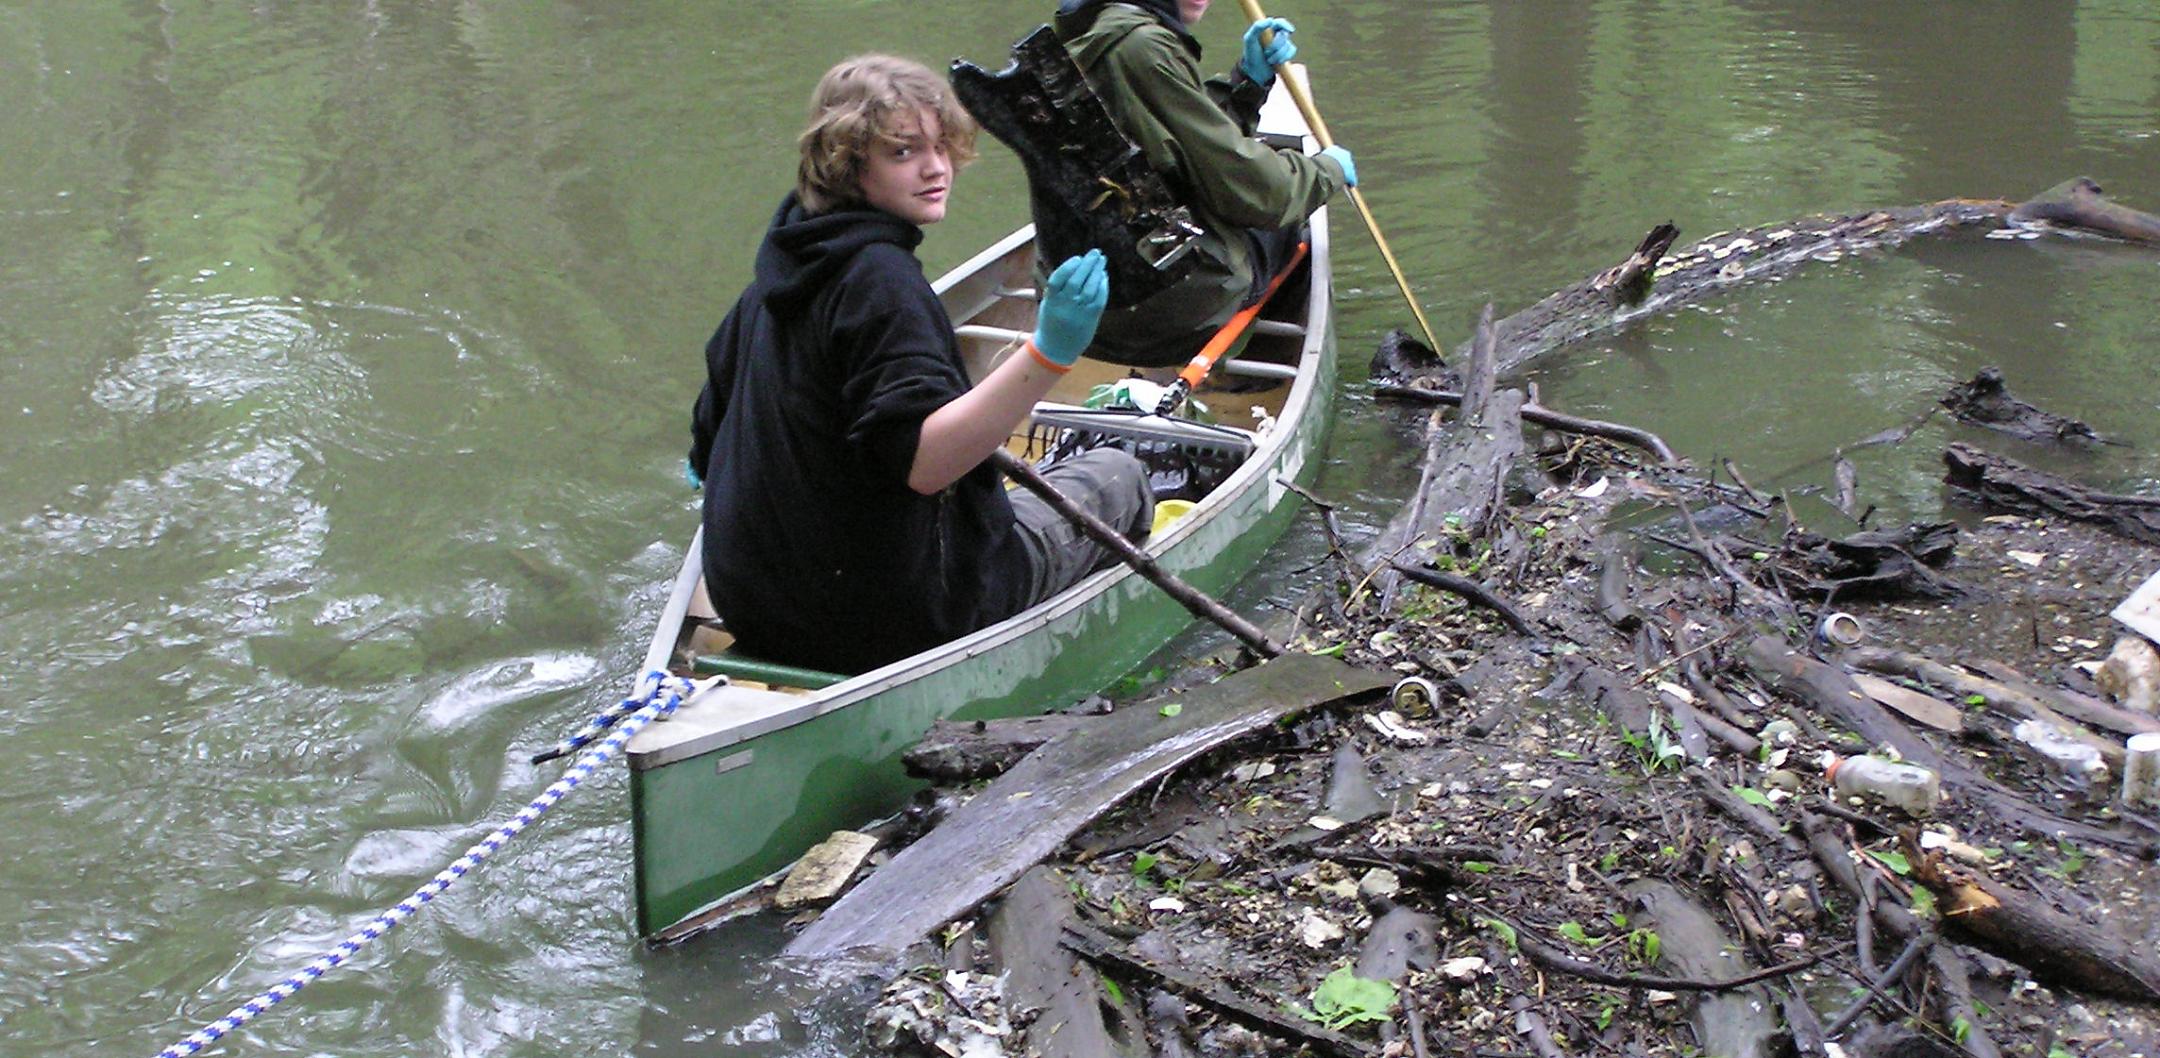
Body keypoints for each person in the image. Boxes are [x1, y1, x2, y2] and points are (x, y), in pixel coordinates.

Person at [688, 54, 1154, 675]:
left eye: (942, 147)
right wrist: (1050, 353)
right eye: (903, 153)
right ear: (847, 163)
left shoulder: (773, 280)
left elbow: (704, 452)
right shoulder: (882, 282)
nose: (936, 169)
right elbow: (927, 465)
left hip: (753, 608)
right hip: (896, 623)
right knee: (1120, 476)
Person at [1046, 0, 1356, 366]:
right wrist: (1326, 170)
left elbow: (1171, 149)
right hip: (1154, 312)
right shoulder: (1143, 46)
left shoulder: (1092, 30)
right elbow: (1256, 194)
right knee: (1292, 220)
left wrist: (1247, 84)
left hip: (1072, 299)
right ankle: (1250, 380)